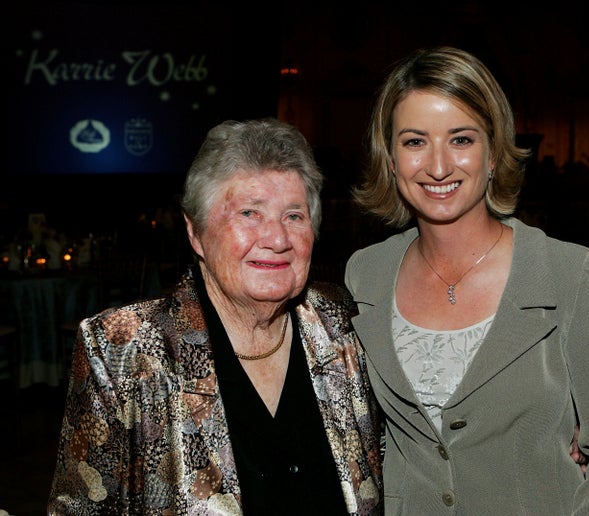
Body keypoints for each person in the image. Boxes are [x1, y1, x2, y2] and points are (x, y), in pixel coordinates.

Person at [344, 46, 589, 514]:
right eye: (414, 142)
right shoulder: (364, 274)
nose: (438, 166)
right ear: (390, 158)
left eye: (461, 139)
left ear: (494, 152)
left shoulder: (571, 276)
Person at [48, 118, 383, 515]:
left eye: (294, 215)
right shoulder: (121, 351)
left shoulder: (340, 325)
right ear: (195, 233)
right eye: (249, 213)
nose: (277, 238)